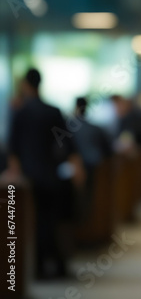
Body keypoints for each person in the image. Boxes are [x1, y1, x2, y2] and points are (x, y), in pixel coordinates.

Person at [5, 68, 85, 279]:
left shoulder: (20, 112)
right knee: (54, 222)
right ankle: (58, 266)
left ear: (25, 85)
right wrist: (77, 169)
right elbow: (68, 145)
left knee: (35, 223)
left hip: (30, 177)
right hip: (52, 175)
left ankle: (38, 268)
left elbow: (13, 149)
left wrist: (15, 172)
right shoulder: (52, 111)